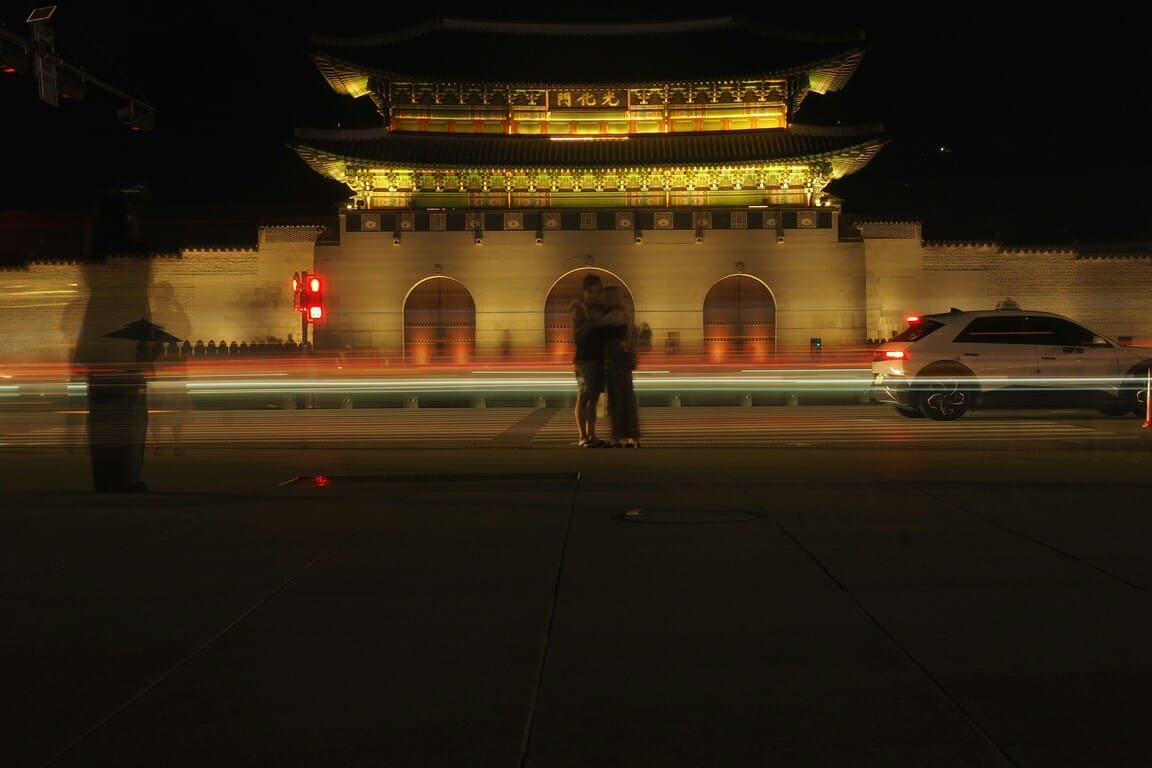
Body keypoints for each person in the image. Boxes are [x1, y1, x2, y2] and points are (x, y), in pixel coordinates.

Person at [570, 273, 621, 448]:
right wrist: (590, 323)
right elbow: (576, 336)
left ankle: (592, 435)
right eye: (592, 292)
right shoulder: (579, 310)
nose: (596, 296)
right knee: (583, 397)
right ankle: (582, 437)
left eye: (598, 292)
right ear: (585, 292)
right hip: (585, 359)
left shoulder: (598, 309)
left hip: (599, 359)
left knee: (594, 399)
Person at [602, 286, 641, 447]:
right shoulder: (624, 315)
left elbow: (600, 324)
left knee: (616, 399)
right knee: (626, 397)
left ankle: (618, 436)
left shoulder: (615, 314)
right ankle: (631, 436)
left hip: (615, 360)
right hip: (621, 360)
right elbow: (630, 339)